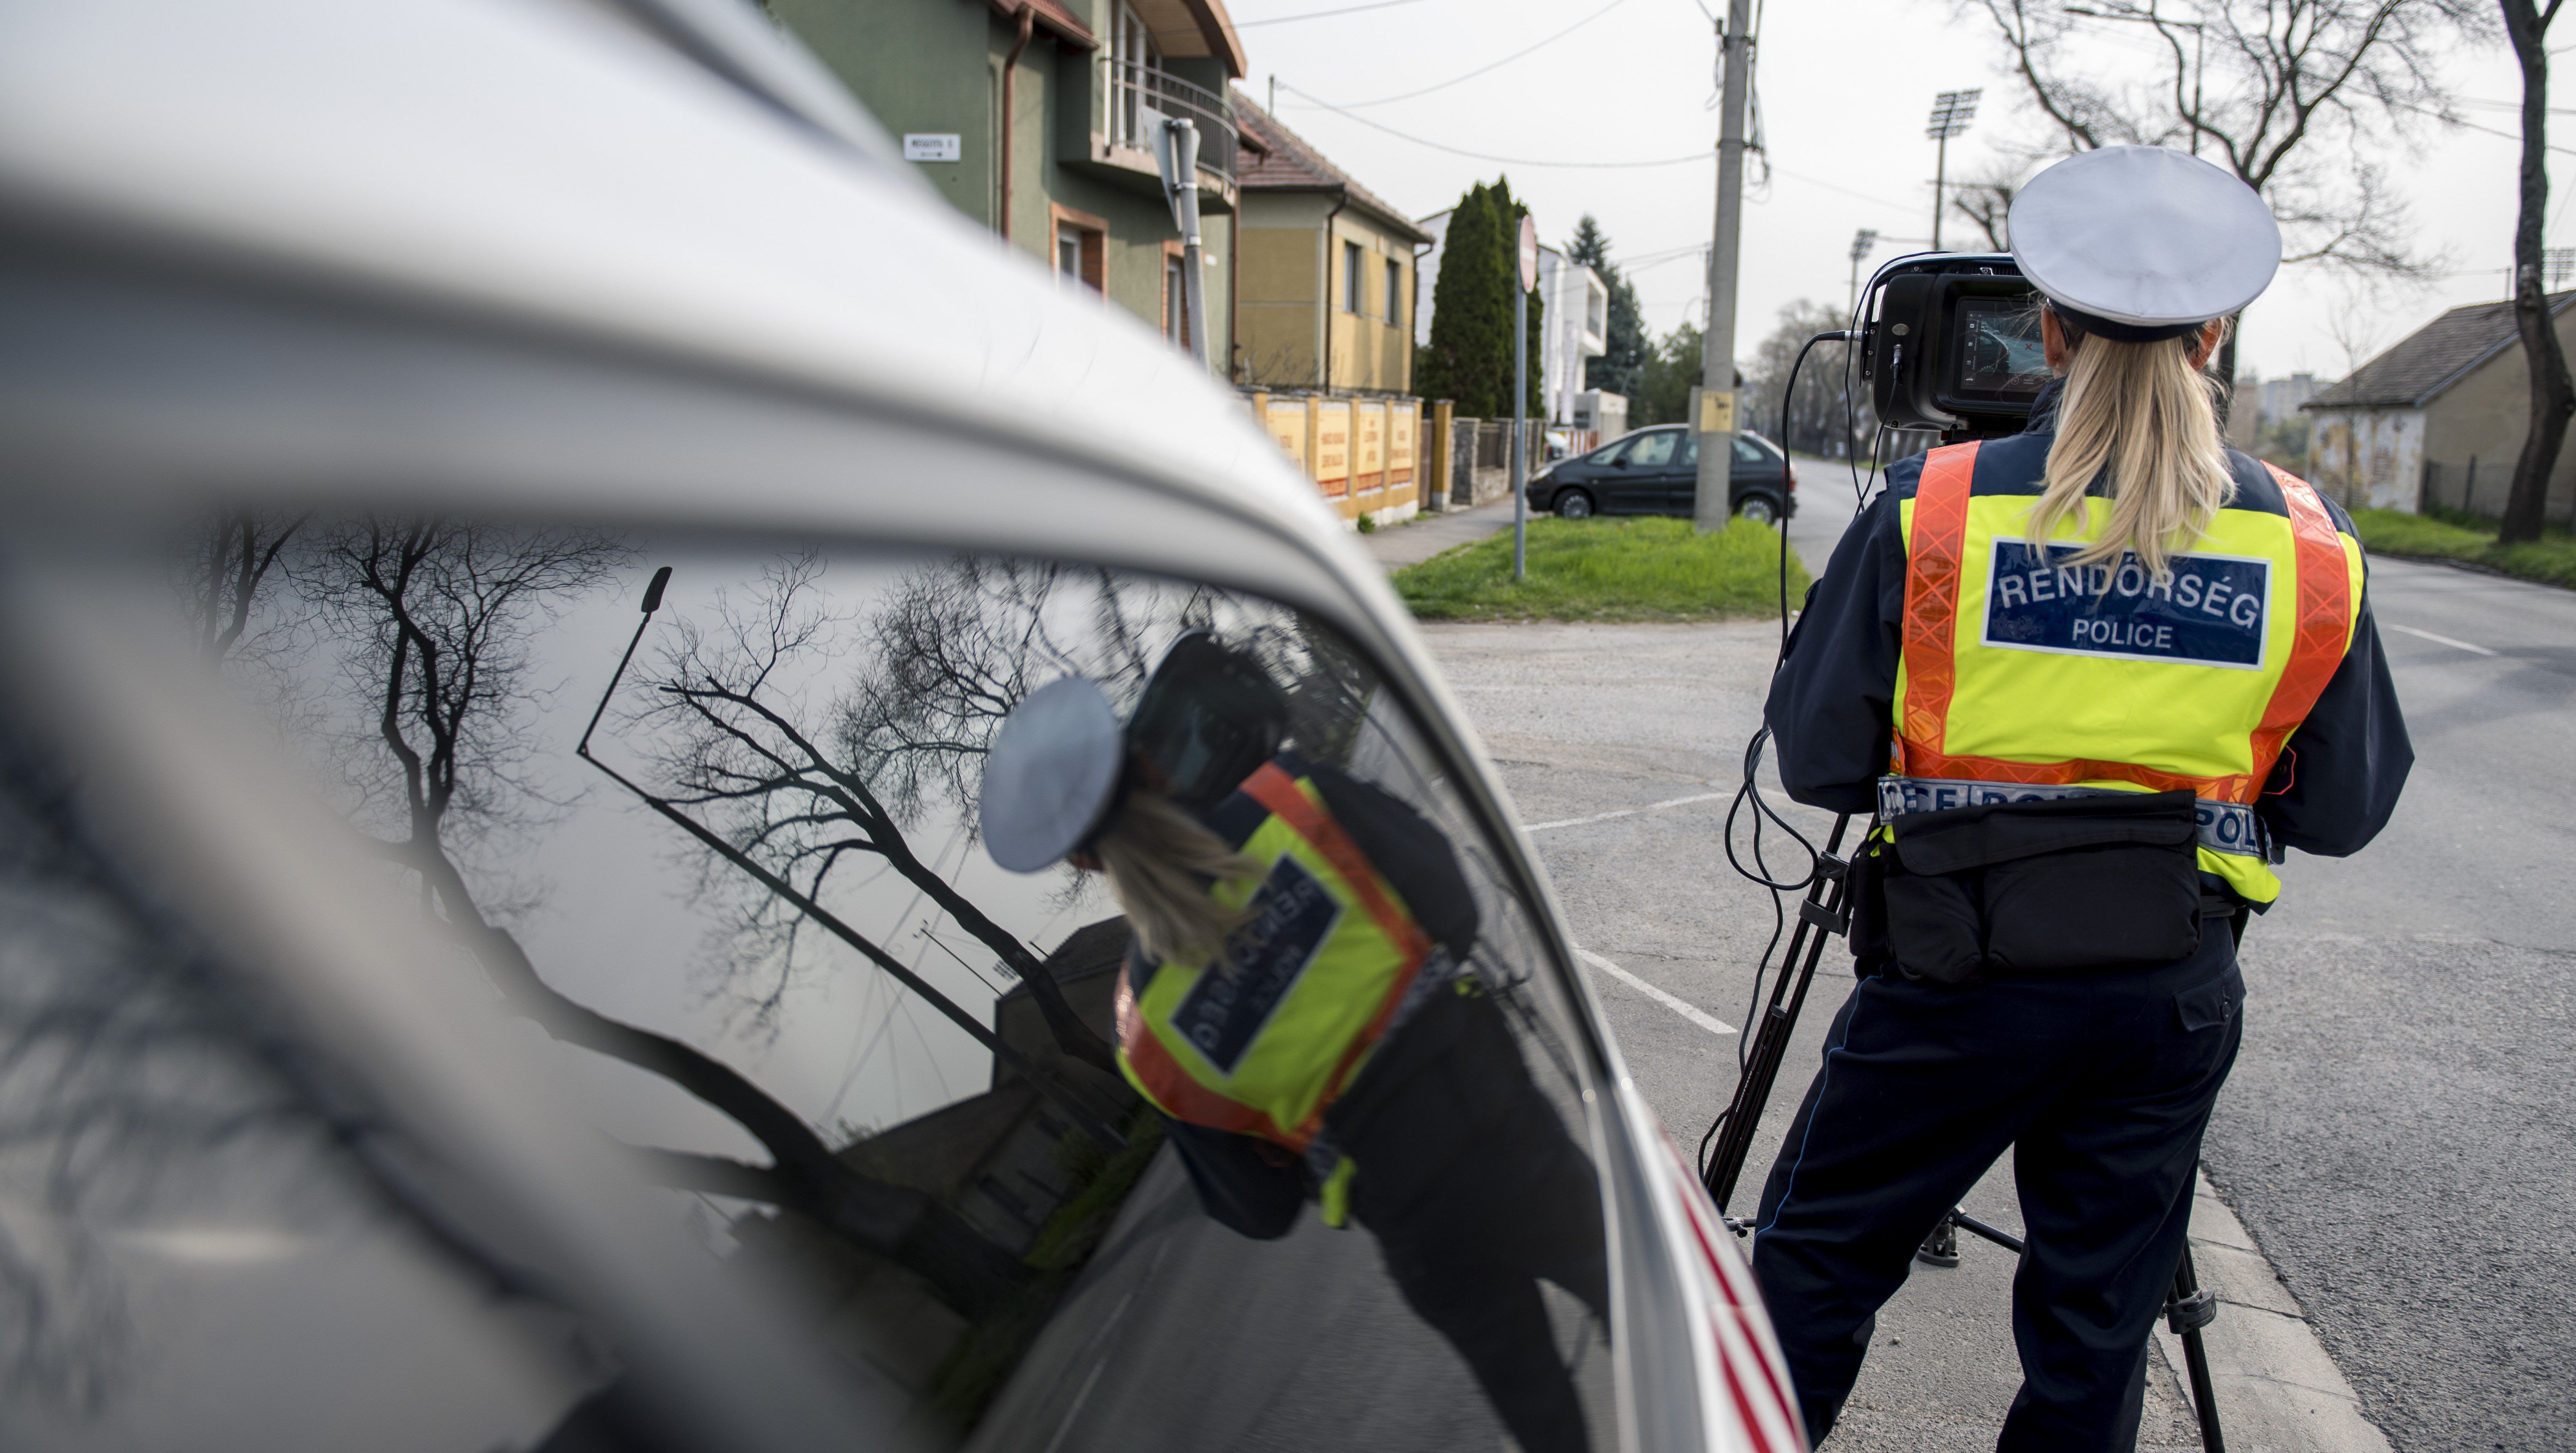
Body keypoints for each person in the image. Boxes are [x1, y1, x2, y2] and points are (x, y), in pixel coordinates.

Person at [1751, 146, 2412, 1451]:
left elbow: (1819, 764)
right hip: (2163, 992)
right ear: (2214, 336)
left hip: (1951, 978)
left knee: (1813, 1268)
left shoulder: (1933, 508)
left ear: (2045, 329)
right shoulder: (2311, 548)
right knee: (2096, 1329)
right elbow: (2340, 806)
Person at [979, 633, 1608, 1453]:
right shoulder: (1293, 801)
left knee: (1545, 1419)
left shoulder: (1146, 1034)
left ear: (1085, 861)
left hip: (1417, 1228)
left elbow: (1258, 1207)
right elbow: (1453, 906)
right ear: (1153, 765)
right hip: (1502, 1125)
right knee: (1646, 1303)